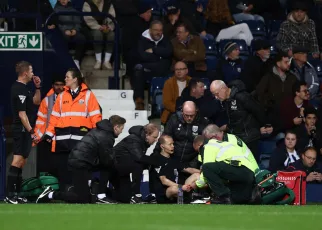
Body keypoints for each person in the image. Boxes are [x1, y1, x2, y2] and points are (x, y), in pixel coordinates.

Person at [36, 115, 126, 204]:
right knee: (81, 199)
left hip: (82, 162)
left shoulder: (101, 131)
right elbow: (106, 160)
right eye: (121, 128)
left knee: (107, 166)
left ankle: (99, 194)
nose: (121, 131)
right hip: (80, 163)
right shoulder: (106, 136)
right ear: (116, 127)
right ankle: (51, 194)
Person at [43, 68, 102, 189]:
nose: (65, 79)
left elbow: (96, 116)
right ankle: (66, 193)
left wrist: (97, 136)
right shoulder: (61, 96)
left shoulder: (88, 95)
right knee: (63, 168)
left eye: (67, 77)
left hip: (81, 140)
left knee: (79, 167)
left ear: (75, 79)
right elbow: (54, 116)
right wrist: (49, 133)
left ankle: (79, 191)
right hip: (63, 140)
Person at [190, 124, 259, 204]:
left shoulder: (209, 146)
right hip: (248, 173)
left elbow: (207, 170)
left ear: (213, 137)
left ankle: (223, 196)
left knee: (207, 168)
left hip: (246, 171)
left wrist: (195, 184)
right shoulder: (229, 140)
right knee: (237, 200)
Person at [5, 61, 41, 204]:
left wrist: (38, 87)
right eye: (31, 71)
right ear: (25, 73)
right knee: (17, 160)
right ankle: (9, 194)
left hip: (25, 129)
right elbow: (21, 114)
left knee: (22, 162)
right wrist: (31, 131)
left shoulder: (26, 88)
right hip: (21, 128)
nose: (33, 73)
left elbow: (36, 102)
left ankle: (18, 193)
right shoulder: (17, 88)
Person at [210, 80, 270, 161]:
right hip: (238, 138)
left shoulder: (242, 97)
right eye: (214, 95)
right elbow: (235, 119)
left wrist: (263, 126)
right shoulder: (226, 101)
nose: (216, 97)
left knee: (251, 166)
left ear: (223, 88)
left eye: (216, 94)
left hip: (249, 137)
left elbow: (258, 111)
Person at [153, 101, 209, 184]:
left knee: (187, 188)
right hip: (174, 158)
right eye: (186, 115)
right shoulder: (174, 119)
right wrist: (156, 154)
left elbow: (205, 145)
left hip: (192, 160)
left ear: (196, 112)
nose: (189, 118)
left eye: (192, 115)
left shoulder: (203, 122)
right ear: (182, 111)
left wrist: (195, 163)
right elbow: (165, 137)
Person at [112, 123, 159, 203]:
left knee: (124, 198)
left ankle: (152, 194)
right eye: (154, 137)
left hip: (123, 167)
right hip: (114, 166)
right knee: (140, 164)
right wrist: (158, 160)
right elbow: (139, 157)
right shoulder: (134, 139)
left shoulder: (143, 140)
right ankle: (136, 195)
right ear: (147, 135)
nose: (155, 140)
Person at [133, 20, 173, 110]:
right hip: (148, 69)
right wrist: (160, 57)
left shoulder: (165, 39)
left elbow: (169, 52)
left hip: (161, 69)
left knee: (165, 65)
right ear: (150, 30)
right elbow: (142, 56)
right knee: (138, 70)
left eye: (160, 30)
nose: (158, 33)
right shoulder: (142, 40)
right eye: (156, 30)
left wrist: (154, 50)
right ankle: (139, 101)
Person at [149, 135, 200, 203]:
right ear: (162, 146)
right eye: (170, 144)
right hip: (163, 192)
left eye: (173, 143)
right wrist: (181, 186)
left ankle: (191, 198)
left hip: (178, 188)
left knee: (197, 175)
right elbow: (164, 180)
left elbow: (188, 169)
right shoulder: (157, 159)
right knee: (175, 189)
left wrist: (203, 171)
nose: (173, 146)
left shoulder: (174, 158)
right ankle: (183, 201)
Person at [34, 76, 65, 174]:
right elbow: (41, 120)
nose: (59, 87)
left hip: (63, 138)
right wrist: (39, 136)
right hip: (48, 138)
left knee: (61, 167)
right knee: (47, 166)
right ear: (53, 86)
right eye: (57, 85)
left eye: (61, 85)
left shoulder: (70, 100)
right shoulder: (46, 101)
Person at [83, 0, 116, 69]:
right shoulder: (87, 3)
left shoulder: (108, 3)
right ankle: (98, 60)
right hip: (93, 28)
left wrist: (108, 27)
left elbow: (112, 17)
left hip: (106, 27)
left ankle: (107, 61)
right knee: (98, 34)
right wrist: (98, 27)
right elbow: (88, 19)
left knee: (112, 35)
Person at [54, 0, 86, 69]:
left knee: (81, 38)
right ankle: (66, 60)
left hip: (73, 31)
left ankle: (76, 60)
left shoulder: (73, 9)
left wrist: (75, 30)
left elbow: (77, 22)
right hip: (62, 32)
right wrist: (65, 30)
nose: (63, 0)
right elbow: (57, 23)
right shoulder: (55, 10)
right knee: (62, 38)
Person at [161, 61, 191, 125]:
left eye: (181, 69)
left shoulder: (192, 82)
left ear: (186, 71)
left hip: (190, 112)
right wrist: (180, 111)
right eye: (176, 69)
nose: (178, 71)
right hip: (173, 112)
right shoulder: (168, 83)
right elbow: (167, 103)